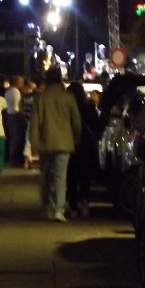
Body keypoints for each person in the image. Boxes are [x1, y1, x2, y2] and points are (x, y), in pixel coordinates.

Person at [29, 65, 82, 222]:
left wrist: (34, 143)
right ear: (60, 79)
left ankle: (46, 207)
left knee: (45, 176)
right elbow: (77, 123)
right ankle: (59, 210)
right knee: (61, 177)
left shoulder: (40, 98)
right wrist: (76, 138)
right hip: (65, 142)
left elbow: (34, 123)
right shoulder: (68, 98)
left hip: (45, 143)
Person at [66, 82, 101, 218]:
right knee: (85, 177)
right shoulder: (89, 108)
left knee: (71, 177)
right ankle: (85, 204)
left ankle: (73, 207)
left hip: (71, 144)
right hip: (87, 146)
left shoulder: (67, 109)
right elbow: (97, 127)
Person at [4, 74, 26, 167]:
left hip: (9, 114)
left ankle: (11, 157)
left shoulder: (7, 91)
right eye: (22, 82)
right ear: (18, 82)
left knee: (13, 137)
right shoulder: (16, 92)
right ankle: (14, 159)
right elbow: (17, 106)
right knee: (17, 138)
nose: (23, 84)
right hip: (16, 115)